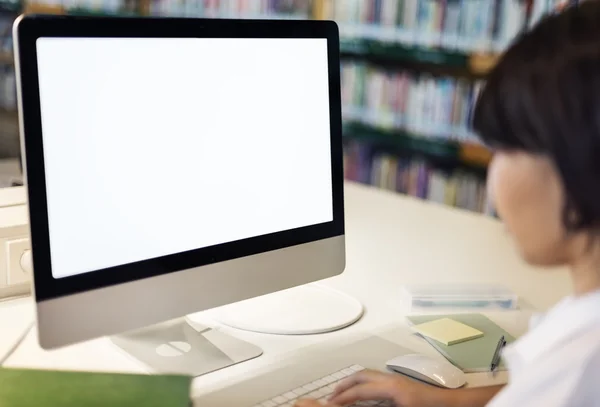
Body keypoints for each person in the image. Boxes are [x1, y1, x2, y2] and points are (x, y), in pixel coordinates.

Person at [295, 2, 600, 406]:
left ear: (576, 159)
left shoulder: (577, 365)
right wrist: (452, 402)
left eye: (504, 149)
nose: (494, 179)